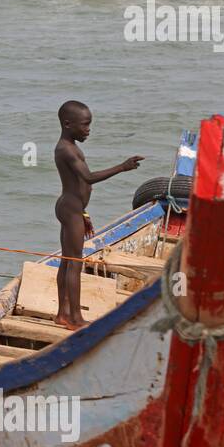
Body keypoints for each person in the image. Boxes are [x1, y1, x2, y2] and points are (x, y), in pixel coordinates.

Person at [53, 100, 143, 329]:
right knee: (74, 263)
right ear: (67, 124)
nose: (88, 130)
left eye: (89, 124)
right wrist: (122, 167)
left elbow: (79, 186)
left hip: (74, 208)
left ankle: (62, 314)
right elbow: (88, 178)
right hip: (69, 208)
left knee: (67, 261)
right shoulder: (66, 149)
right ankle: (74, 318)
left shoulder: (71, 146)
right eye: (84, 125)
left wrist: (84, 213)